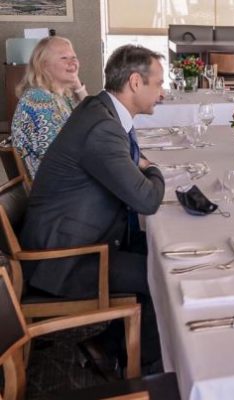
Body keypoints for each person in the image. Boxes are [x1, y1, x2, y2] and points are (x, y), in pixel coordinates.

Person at [20, 45, 166, 372]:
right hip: (63, 260)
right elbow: (147, 200)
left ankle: (106, 347)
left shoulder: (99, 109)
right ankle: (147, 374)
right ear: (135, 82)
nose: (162, 92)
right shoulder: (103, 127)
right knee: (161, 275)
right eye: (158, 83)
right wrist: (155, 169)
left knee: (158, 251)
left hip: (79, 239)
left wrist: (141, 168)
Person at [11, 36, 88, 179]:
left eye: (74, 57)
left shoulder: (63, 97)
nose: (73, 62)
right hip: (55, 185)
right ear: (43, 65)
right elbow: (61, 156)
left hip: (69, 177)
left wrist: (78, 85)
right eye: (64, 58)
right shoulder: (38, 99)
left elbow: (92, 120)